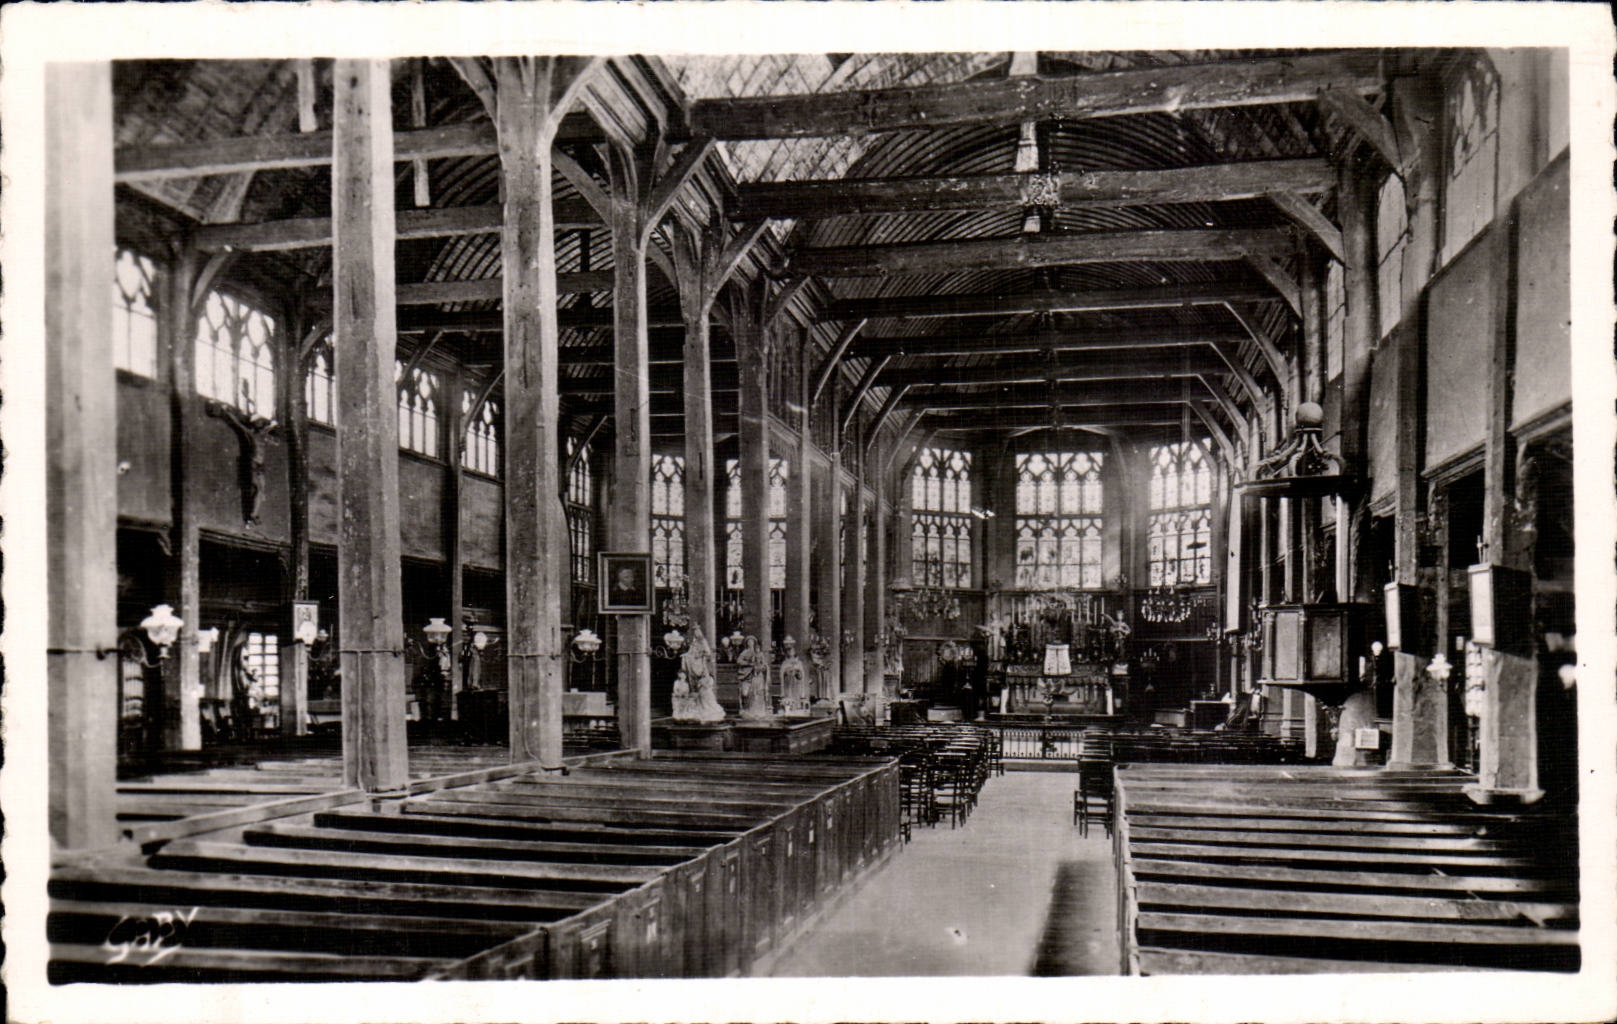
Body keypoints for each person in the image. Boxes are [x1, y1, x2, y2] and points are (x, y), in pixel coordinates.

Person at [681, 625, 725, 722]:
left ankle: (707, 710)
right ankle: (698, 710)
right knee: (695, 691)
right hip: (693, 666)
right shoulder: (693, 643)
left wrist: (700, 655)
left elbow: (707, 653)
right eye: (694, 632)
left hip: (701, 665)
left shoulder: (703, 642)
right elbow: (690, 653)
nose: (696, 634)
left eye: (697, 631)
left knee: (704, 692)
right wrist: (687, 656)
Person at [736, 635, 771, 719]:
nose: (750, 644)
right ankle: (749, 709)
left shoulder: (758, 653)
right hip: (748, 675)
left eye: (752, 642)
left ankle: (760, 710)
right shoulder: (745, 652)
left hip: (757, 676)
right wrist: (748, 664)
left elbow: (764, 664)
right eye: (749, 642)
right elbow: (739, 661)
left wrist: (762, 667)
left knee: (759, 692)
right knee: (748, 693)